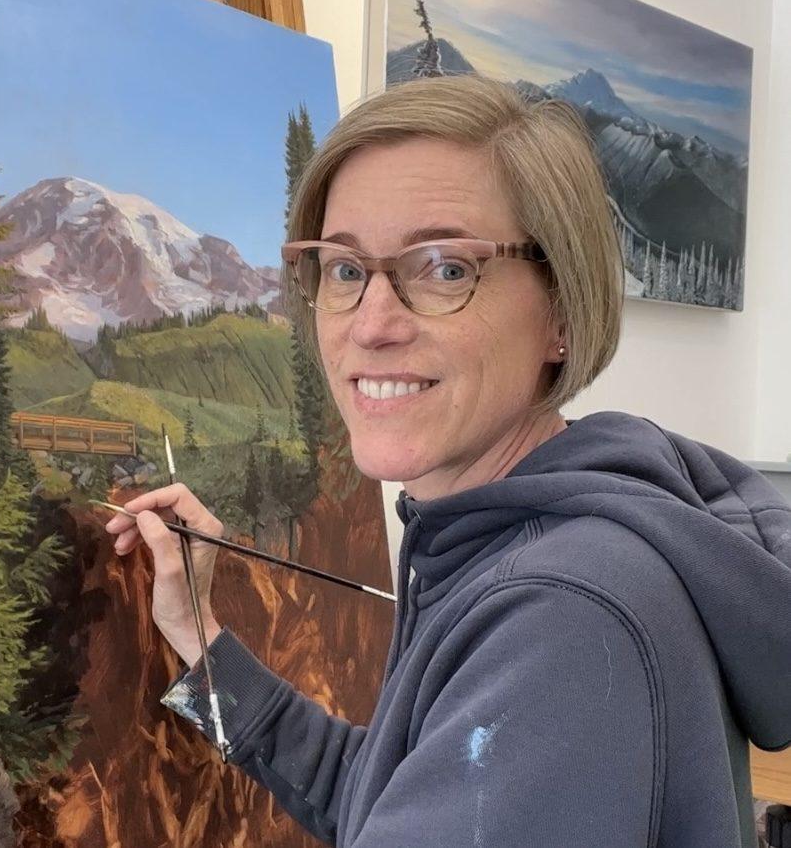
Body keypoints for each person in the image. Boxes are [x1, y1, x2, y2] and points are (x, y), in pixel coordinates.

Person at [103, 75, 791, 847]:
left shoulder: (562, 612)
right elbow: (377, 793)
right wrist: (199, 643)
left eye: (445, 267)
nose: (371, 324)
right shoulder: (501, 530)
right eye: (343, 268)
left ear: (560, 313)